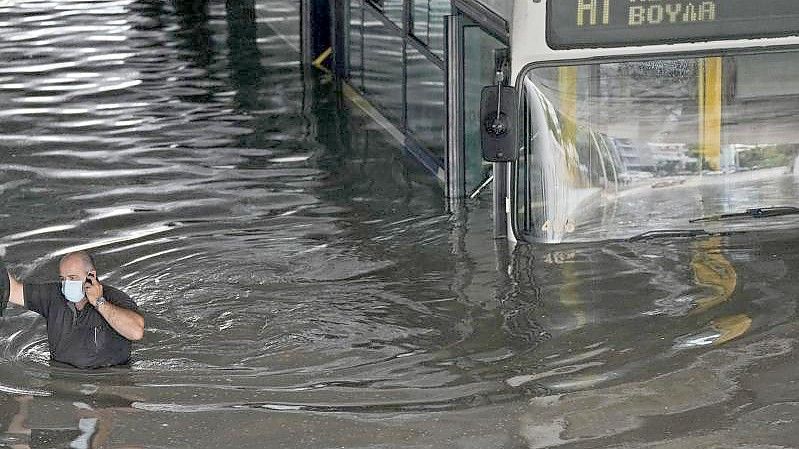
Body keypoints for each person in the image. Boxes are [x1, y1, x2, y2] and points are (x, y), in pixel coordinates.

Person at [0, 251, 144, 369]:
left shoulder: (115, 298)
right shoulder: (54, 295)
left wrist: (99, 302)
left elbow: (136, 332)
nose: (66, 284)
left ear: (91, 276)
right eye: (63, 278)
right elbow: (13, 291)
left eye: (73, 278)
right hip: (60, 378)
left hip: (108, 382)